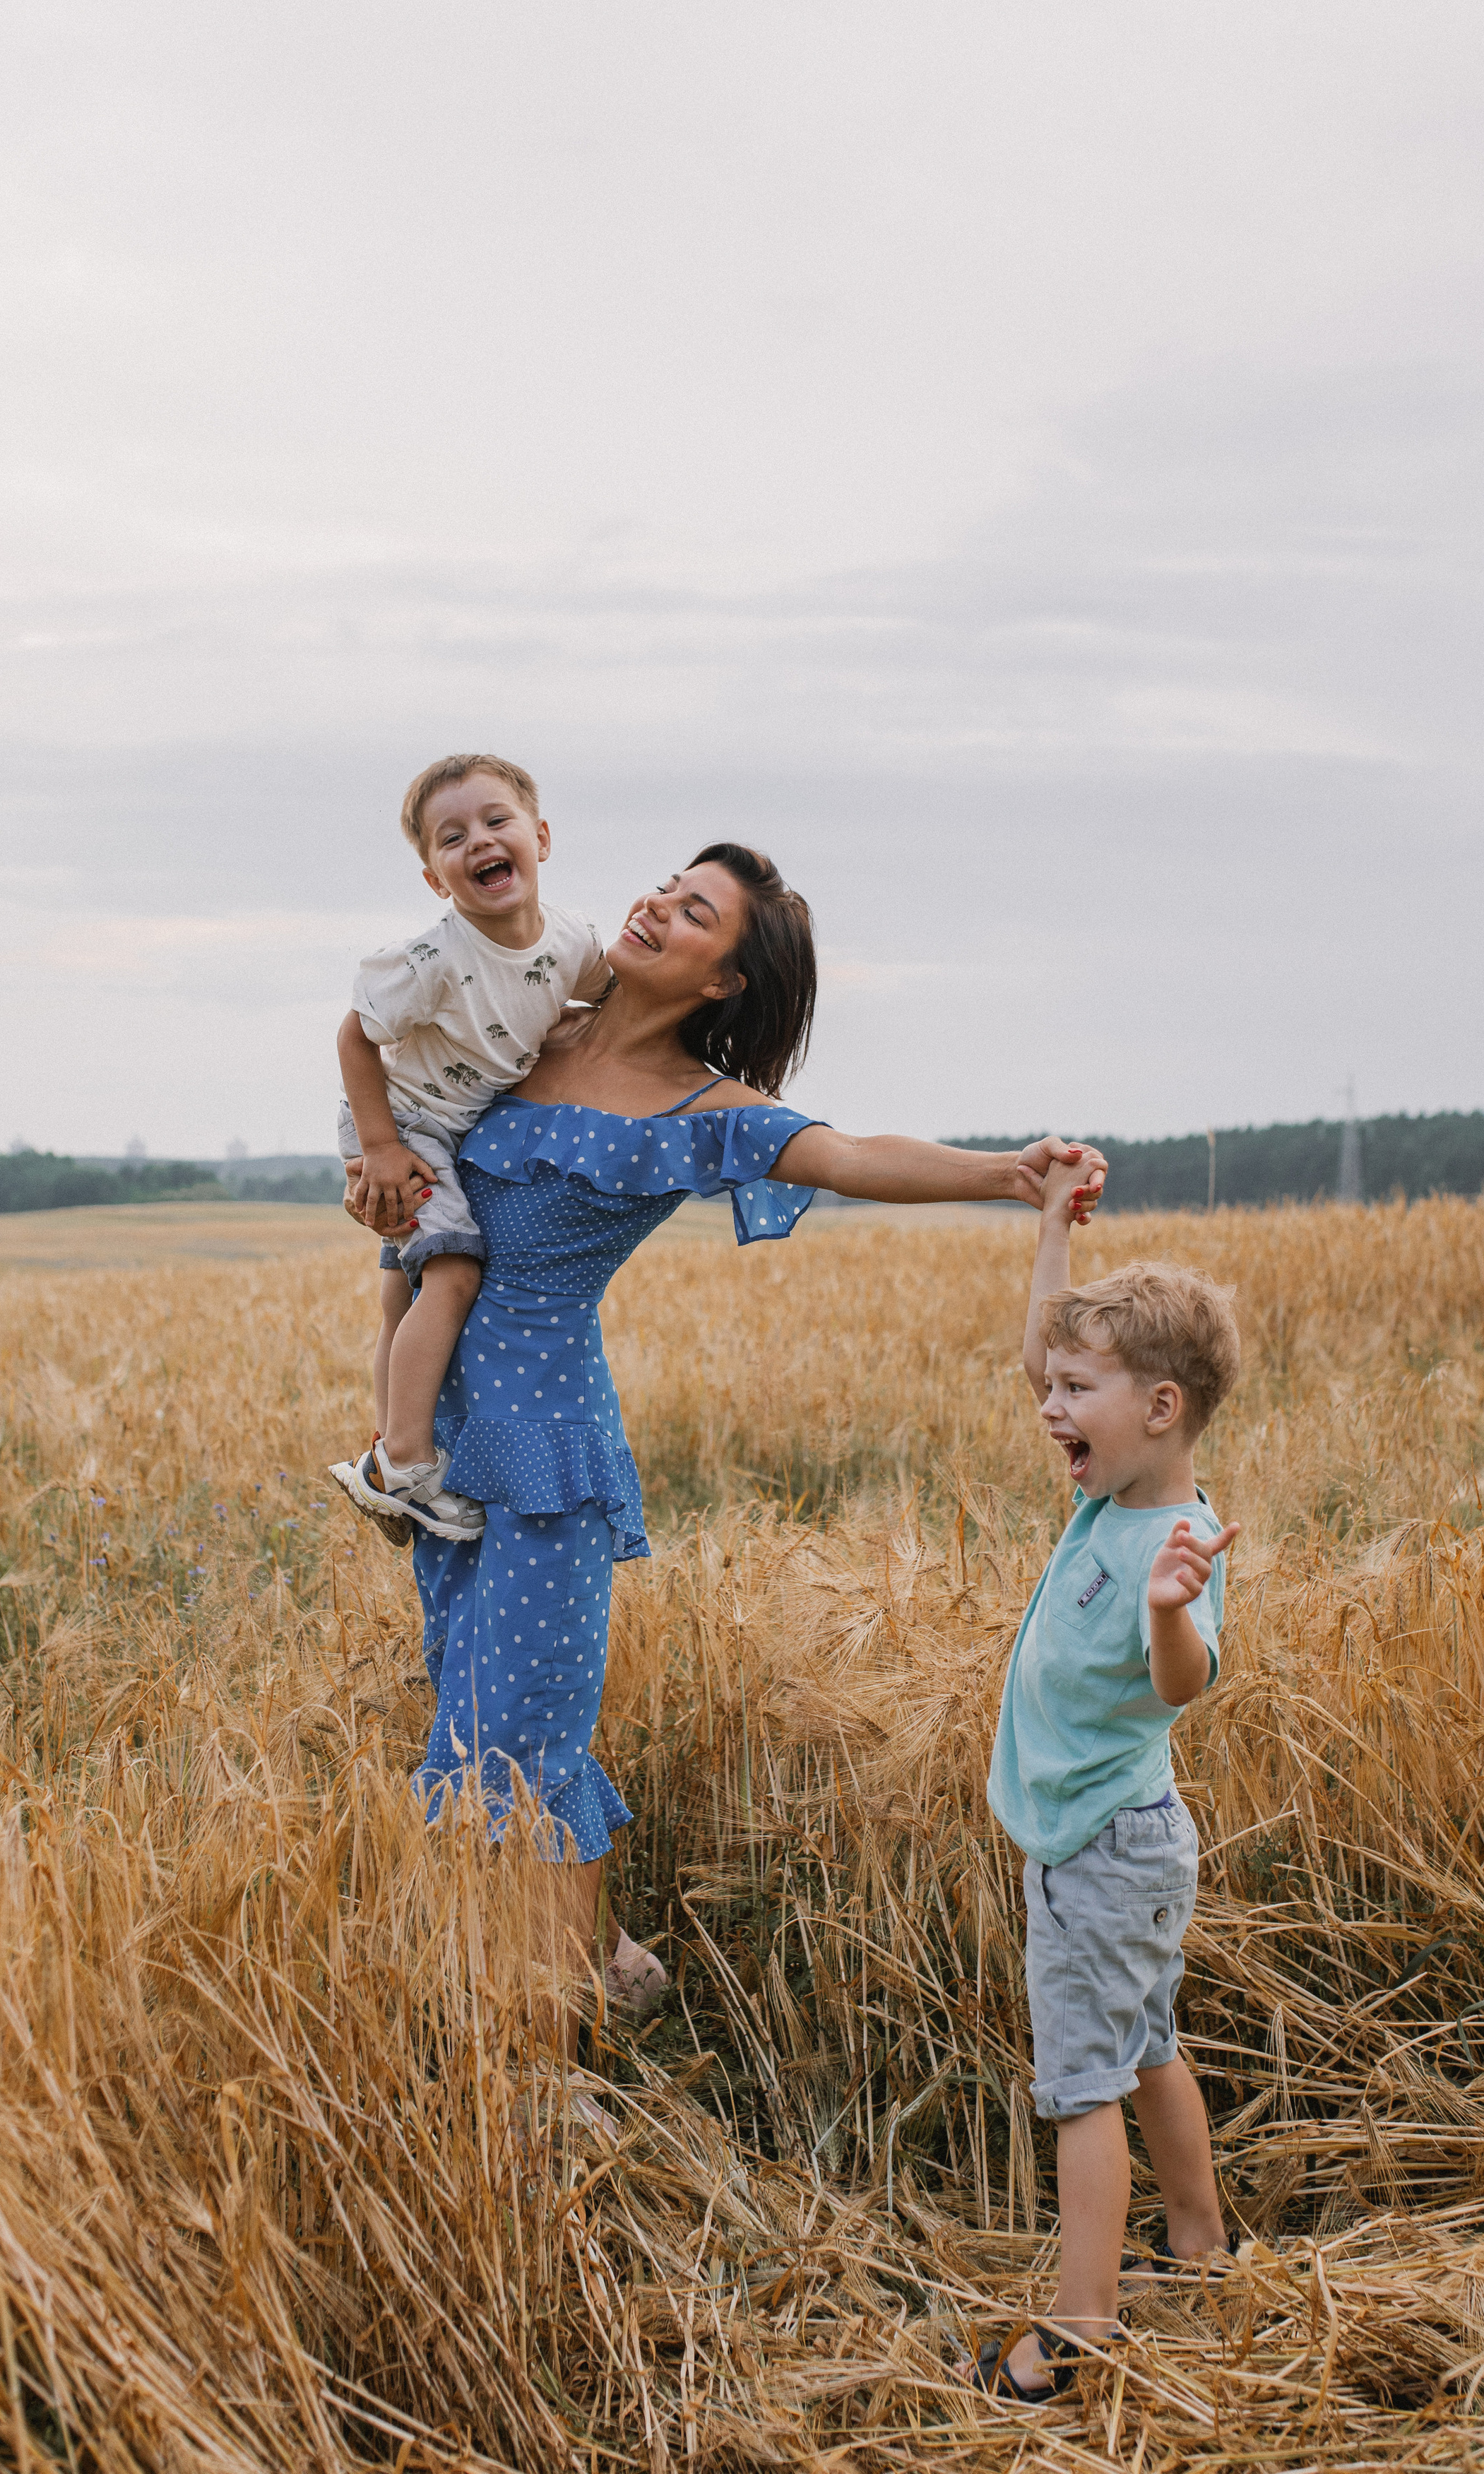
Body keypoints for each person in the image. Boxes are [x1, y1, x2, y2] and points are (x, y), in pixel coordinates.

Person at [343, 839, 1106, 2027]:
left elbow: (850, 1156)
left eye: (693, 911)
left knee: (524, 1743)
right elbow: (404, 1113)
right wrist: (381, 1170)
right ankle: (600, 1968)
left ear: (721, 982)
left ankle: (548, 2053)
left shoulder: (706, 1114)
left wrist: (1008, 1172)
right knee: (467, 1713)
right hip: (447, 1444)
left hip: (546, 1452)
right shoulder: (526, 1024)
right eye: (664, 886)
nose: (655, 906)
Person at [969, 1163, 1242, 2402]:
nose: (1049, 1407)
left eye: (1080, 1394)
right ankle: (1200, 2246)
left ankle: (1083, 2324)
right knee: (1145, 2046)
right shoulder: (1109, 1487)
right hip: (1115, 1842)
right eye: (1057, 1388)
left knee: (1084, 2083)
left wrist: (1170, 1613)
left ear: (1163, 1407)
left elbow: (1182, 1685)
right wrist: (1046, 1232)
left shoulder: (1168, 1542)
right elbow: (1042, 1355)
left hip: (1101, 1849)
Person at [329, 753, 613, 1543]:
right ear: (434, 878)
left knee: (402, 1295)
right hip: (405, 1126)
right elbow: (355, 1035)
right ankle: (405, 1464)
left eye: (496, 822)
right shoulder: (433, 959)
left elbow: (608, 1001)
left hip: (454, 1131)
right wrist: (382, 1148)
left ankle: (386, 1457)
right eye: (451, 838)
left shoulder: (572, 940)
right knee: (452, 1273)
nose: (479, 841)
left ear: (540, 838)